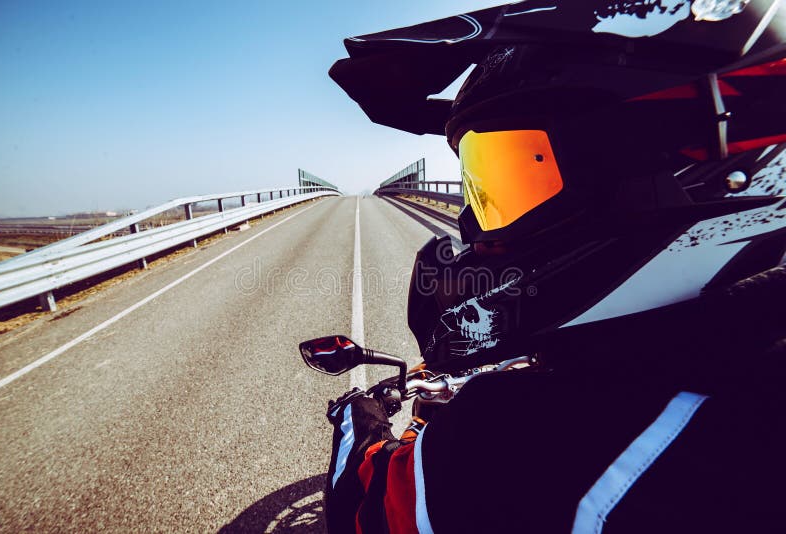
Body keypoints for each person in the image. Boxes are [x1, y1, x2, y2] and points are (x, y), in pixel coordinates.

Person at [324, 2, 786, 532]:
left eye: (522, 173)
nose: (477, 231)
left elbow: (367, 507)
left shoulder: (517, 438)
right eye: (482, 179)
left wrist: (356, 421)